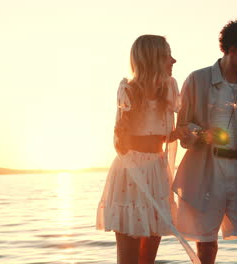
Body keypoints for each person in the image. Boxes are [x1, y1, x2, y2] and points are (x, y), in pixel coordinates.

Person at [173, 19, 237, 264]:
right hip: (205, 176)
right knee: (207, 251)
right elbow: (181, 129)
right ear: (233, 50)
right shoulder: (197, 80)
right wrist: (201, 134)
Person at [96, 35, 184, 264]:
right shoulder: (129, 90)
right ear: (153, 58)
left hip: (156, 169)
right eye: (167, 55)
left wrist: (184, 133)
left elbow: (165, 133)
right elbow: (120, 143)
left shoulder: (169, 89)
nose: (173, 60)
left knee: (149, 256)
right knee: (129, 256)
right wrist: (123, 126)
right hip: (131, 173)